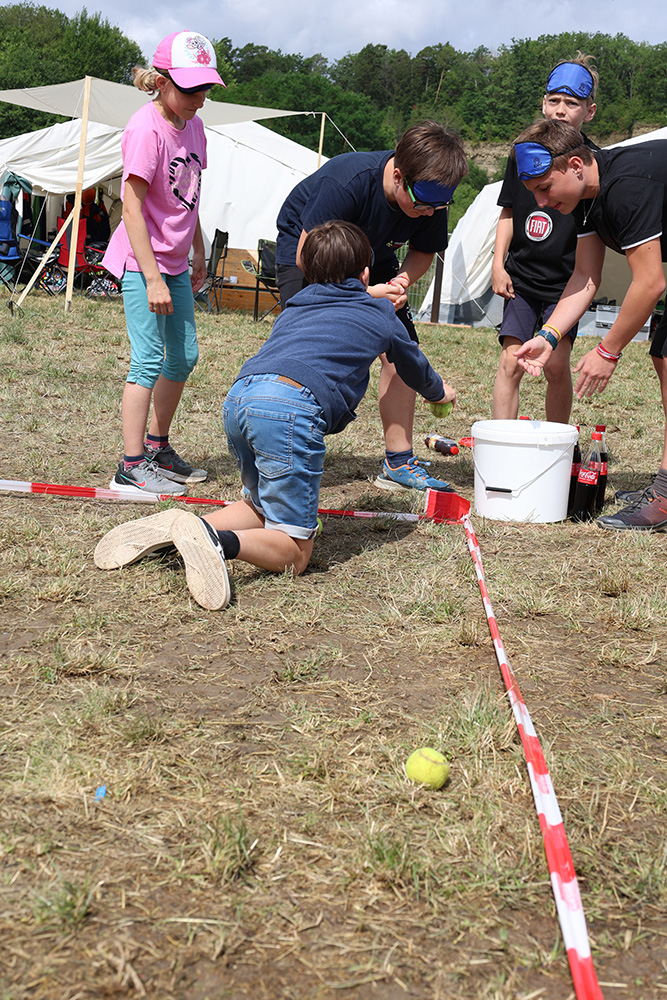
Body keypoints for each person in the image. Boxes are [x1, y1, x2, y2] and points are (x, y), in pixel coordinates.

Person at [94, 221, 457, 609]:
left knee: (260, 506)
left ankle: (183, 529)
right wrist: (440, 393)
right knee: (297, 551)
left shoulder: (295, 305)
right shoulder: (381, 313)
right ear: (366, 274)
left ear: (307, 272)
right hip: (290, 409)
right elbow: (412, 367)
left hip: (240, 398)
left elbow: (336, 302)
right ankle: (218, 541)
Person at [275, 121, 468, 493]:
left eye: (438, 206)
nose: (430, 212)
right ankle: (287, 445)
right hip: (313, 253)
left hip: (373, 258)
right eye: (424, 203)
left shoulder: (431, 194)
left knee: (400, 350)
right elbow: (307, 258)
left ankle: (399, 461)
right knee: (310, 346)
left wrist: (399, 284)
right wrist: (367, 295)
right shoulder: (346, 182)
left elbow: (423, 251)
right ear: (398, 176)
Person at [510, 119, 667, 530]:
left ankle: (666, 498)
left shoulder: (625, 187)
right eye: (534, 193)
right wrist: (548, 336)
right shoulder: (587, 200)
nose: (541, 202)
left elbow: (650, 282)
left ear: (575, 165)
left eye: (545, 188)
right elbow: (584, 278)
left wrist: (606, 351)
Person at [102, 31, 225, 496]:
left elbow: (188, 195)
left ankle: (157, 447)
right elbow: (131, 208)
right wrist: (152, 277)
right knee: (149, 358)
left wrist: (197, 247)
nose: (200, 100)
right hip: (141, 262)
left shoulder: (193, 125)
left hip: (174, 262)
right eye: (192, 89)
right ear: (161, 81)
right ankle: (130, 466)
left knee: (185, 355)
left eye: (205, 89)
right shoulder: (145, 128)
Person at [492, 55, 598, 422]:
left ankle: (558, 445)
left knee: (555, 365)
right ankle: (503, 444)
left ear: (590, 110)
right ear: (543, 102)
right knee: (511, 361)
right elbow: (507, 211)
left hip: (565, 285)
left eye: (571, 103)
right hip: (521, 278)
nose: (561, 110)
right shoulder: (522, 151)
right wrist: (497, 265)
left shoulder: (591, 163)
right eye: (554, 100)